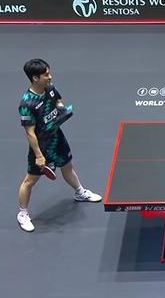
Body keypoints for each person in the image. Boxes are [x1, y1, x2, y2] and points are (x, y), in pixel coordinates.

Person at [16, 59, 101, 233]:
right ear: (35, 78)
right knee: (30, 180)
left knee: (67, 166)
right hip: (42, 145)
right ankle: (22, 214)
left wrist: (61, 109)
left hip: (57, 136)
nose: (50, 76)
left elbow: (58, 100)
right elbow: (30, 133)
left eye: (49, 72)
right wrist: (39, 156)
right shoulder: (27, 104)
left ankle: (80, 192)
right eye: (46, 74)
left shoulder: (49, 88)